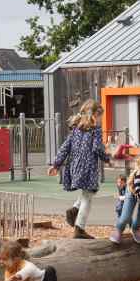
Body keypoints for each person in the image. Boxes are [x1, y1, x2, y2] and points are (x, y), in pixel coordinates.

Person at [48, 100, 112, 239]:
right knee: (88, 197)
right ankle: (79, 228)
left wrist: (56, 164)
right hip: (88, 167)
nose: (101, 120)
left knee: (86, 193)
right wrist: (107, 157)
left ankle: (73, 210)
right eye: (100, 116)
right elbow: (97, 148)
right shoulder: (95, 130)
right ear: (95, 115)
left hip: (75, 166)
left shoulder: (76, 129)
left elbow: (65, 147)